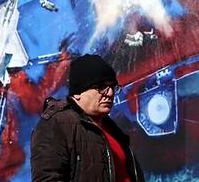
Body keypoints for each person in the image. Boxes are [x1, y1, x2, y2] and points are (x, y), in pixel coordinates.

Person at [31, 54, 144, 182]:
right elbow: (47, 179)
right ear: (78, 92)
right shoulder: (56, 124)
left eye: (112, 87)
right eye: (101, 87)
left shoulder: (113, 130)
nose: (110, 93)